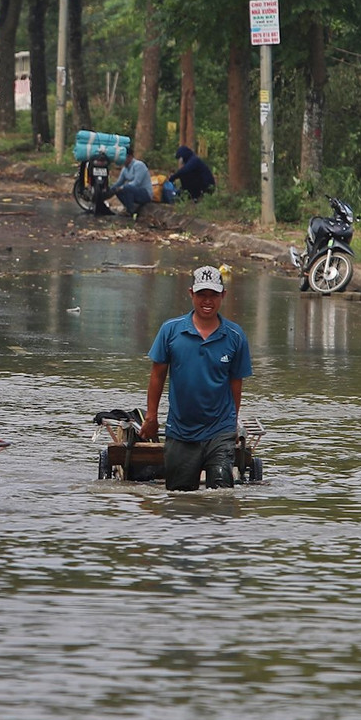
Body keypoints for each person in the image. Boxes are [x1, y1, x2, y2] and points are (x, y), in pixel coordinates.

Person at [140, 265, 251, 490]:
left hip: (219, 430)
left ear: (223, 296)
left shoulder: (235, 336)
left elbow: (235, 384)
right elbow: (157, 375)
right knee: (180, 500)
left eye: (213, 295)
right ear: (191, 294)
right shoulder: (171, 331)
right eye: (202, 295)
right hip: (181, 430)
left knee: (221, 495)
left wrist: (231, 425)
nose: (207, 301)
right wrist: (151, 417)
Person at [113, 152, 153, 218]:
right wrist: (110, 189)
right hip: (134, 191)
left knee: (127, 188)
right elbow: (119, 182)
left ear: (130, 157)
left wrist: (123, 187)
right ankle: (129, 207)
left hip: (145, 193)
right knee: (117, 190)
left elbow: (137, 182)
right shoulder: (125, 169)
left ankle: (130, 211)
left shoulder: (139, 165)